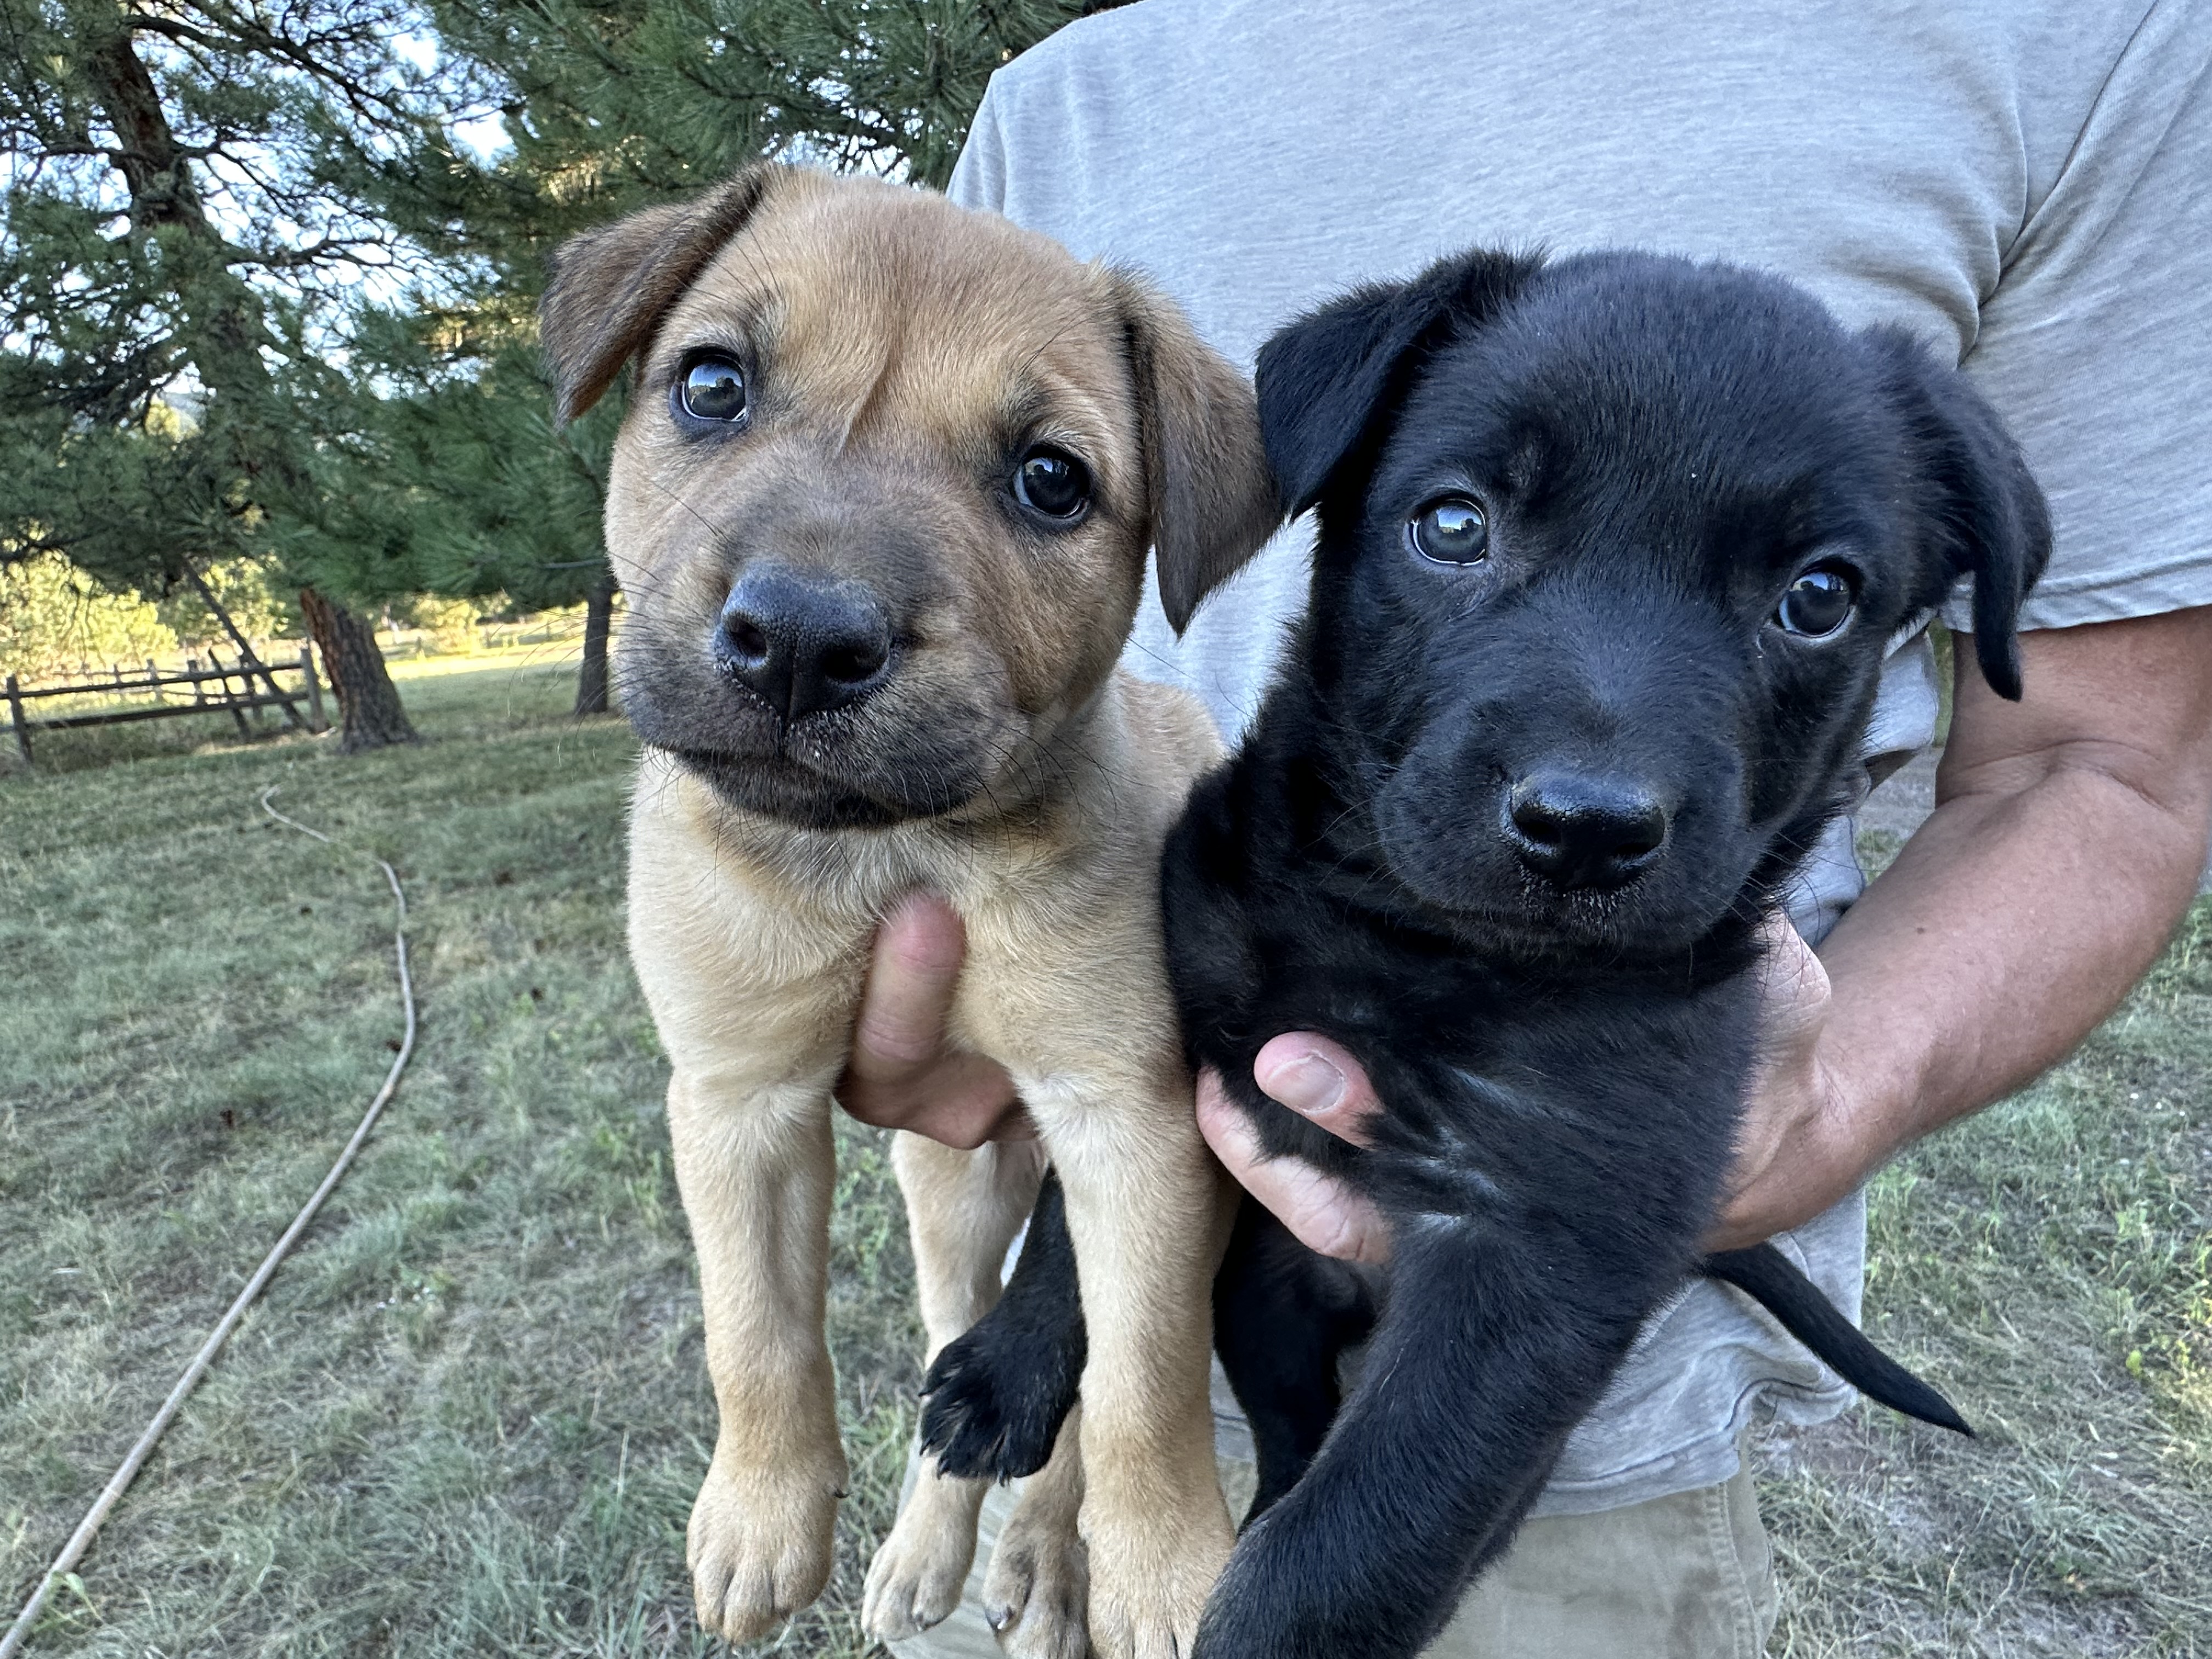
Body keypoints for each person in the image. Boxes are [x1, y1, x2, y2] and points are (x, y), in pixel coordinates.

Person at [838, 2, 2212, 1651]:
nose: (1597, 778)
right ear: (1329, 517)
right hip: (1080, 1445)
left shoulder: (2084, 40)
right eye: (1460, 523)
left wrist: (1803, 1107)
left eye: (1814, 591)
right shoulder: (1063, 98)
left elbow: (2104, 765)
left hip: (1543, 1465)